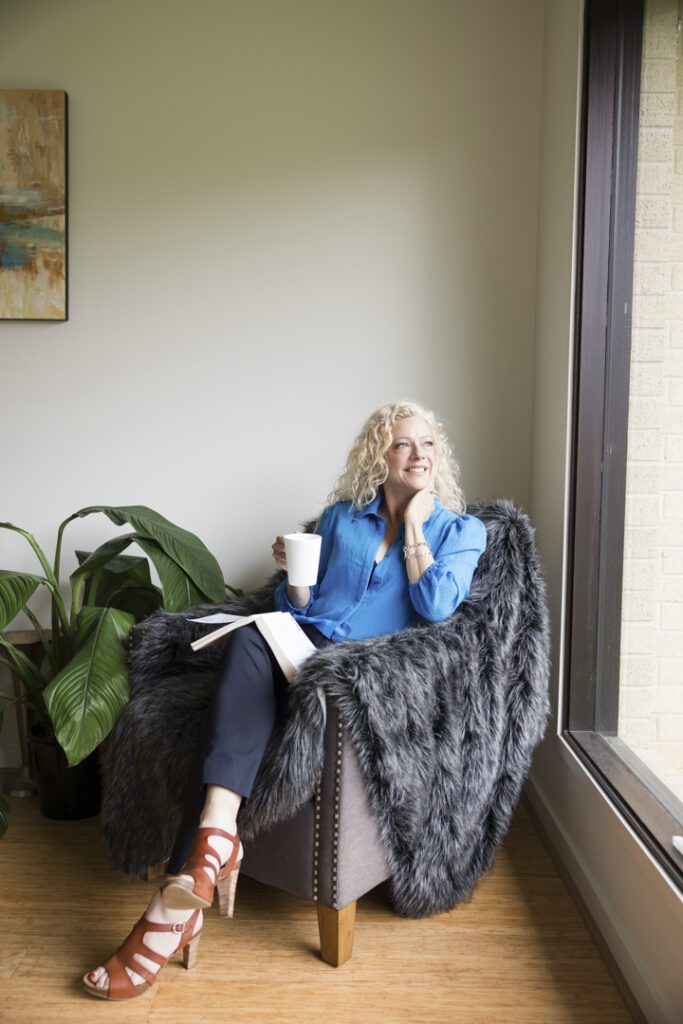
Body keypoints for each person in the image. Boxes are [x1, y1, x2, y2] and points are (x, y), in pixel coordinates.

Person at [82, 399, 487, 1000]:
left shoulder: (460, 531)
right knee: (251, 639)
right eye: (404, 443)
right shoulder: (342, 519)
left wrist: (418, 527)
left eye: (427, 444)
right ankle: (219, 835)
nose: (419, 454)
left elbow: (435, 607)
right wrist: (293, 576)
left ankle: (189, 882)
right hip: (302, 643)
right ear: (382, 453)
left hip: (356, 671)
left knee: (254, 678)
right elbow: (299, 607)